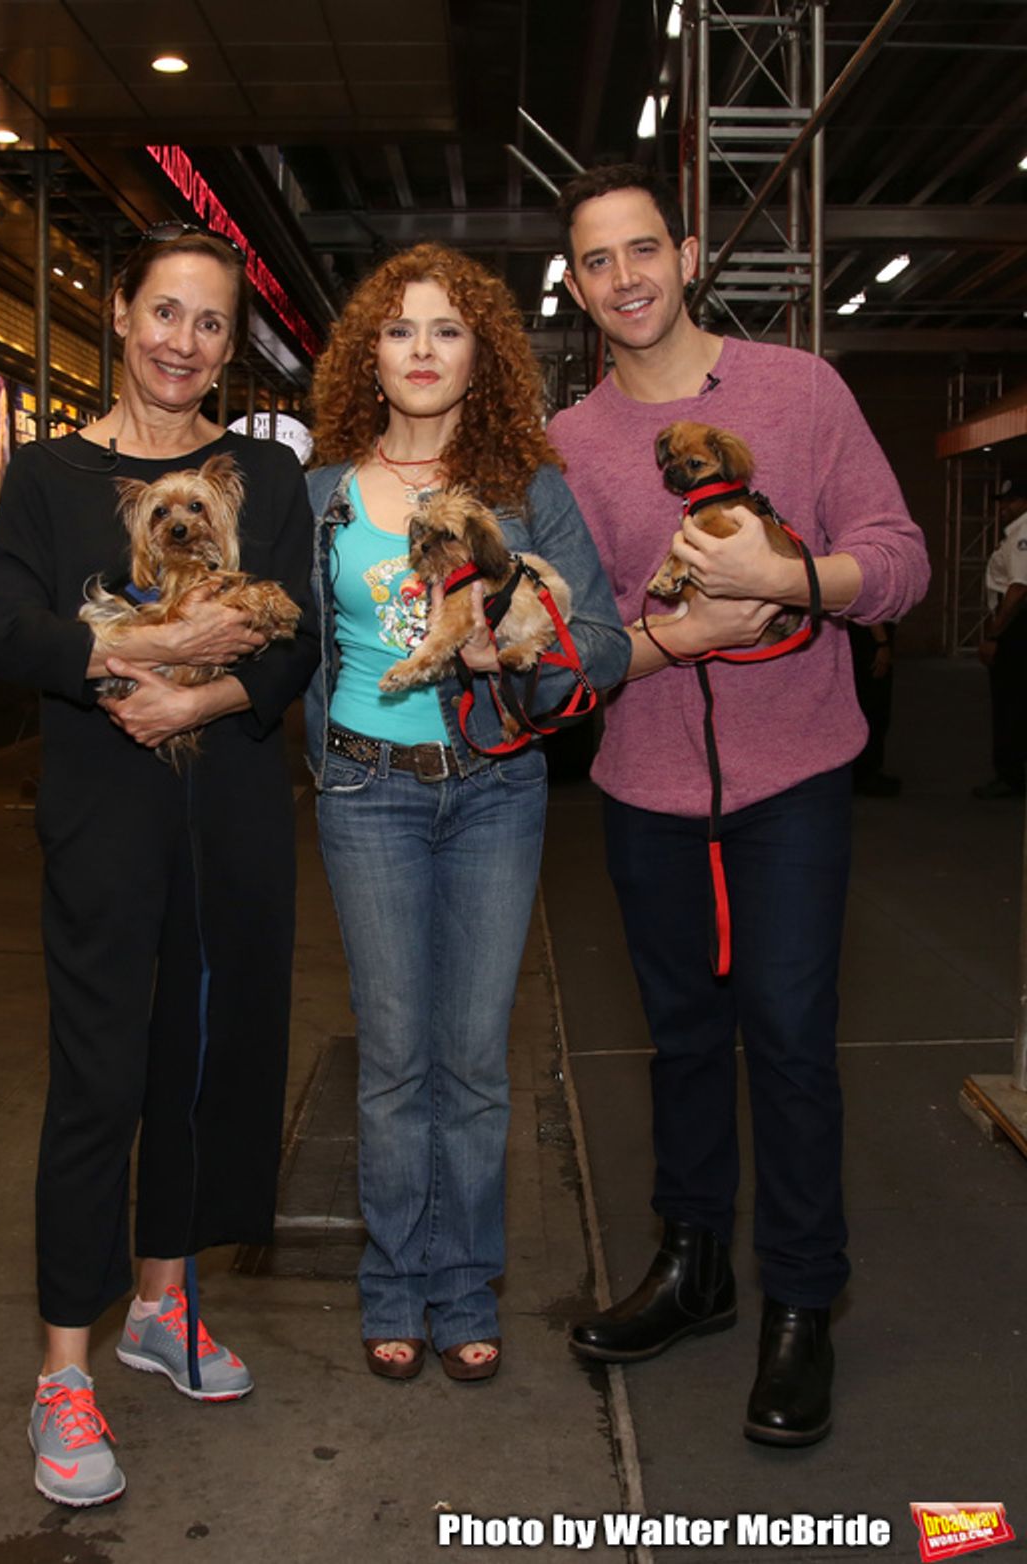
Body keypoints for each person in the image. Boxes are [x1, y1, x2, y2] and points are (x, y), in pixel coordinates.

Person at [550, 164, 929, 1445]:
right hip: (645, 786)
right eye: (597, 261)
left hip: (795, 779)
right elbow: (579, 647)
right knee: (678, 1040)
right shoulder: (573, 443)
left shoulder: (802, 392)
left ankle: (800, 1304)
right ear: (577, 284)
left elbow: (900, 561)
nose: (626, 278)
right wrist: (689, 628)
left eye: (643, 248)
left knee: (788, 1037)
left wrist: (795, 574)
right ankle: (693, 1266)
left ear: (691, 251)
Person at [0, 224, 318, 1505]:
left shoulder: (264, 482)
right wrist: (116, 661)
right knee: (99, 1077)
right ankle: (64, 1366)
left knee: (202, 1063)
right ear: (120, 313)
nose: (185, 342)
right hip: (103, 818)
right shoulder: (55, 473)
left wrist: (205, 694)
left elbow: (297, 648)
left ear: (233, 345)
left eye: (211, 324)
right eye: (165, 312)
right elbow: (6, 622)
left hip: (227, 809)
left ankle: (164, 1306)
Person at [304, 243, 630, 1383]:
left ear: (479, 353)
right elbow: (301, 637)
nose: (424, 350)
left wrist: (522, 651)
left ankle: (464, 1283)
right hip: (364, 791)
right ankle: (394, 1283)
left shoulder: (526, 483)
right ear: (369, 356)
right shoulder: (326, 488)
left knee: (475, 1062)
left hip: (495, 792)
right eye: (401, 330)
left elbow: (608, 641)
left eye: (447, 330)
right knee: (395, 1063)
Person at [973, 484, 1027, 800]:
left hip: (1017, 628)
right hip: (1017, 625)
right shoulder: (1016, 531)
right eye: (1001, 501)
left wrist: (995, 635)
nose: (1003, 506)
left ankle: (1010, 776)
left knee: (1010, 702)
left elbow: (1018, 588)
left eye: (1011, 500)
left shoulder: (1022, 534)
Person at [847, 620, 900, 796]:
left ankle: (866, 770)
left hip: (869, 634)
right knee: (873, 706)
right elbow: (870, 609)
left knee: (873, 705)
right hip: (869, 636)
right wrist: (882, 643)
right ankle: (865, 773)